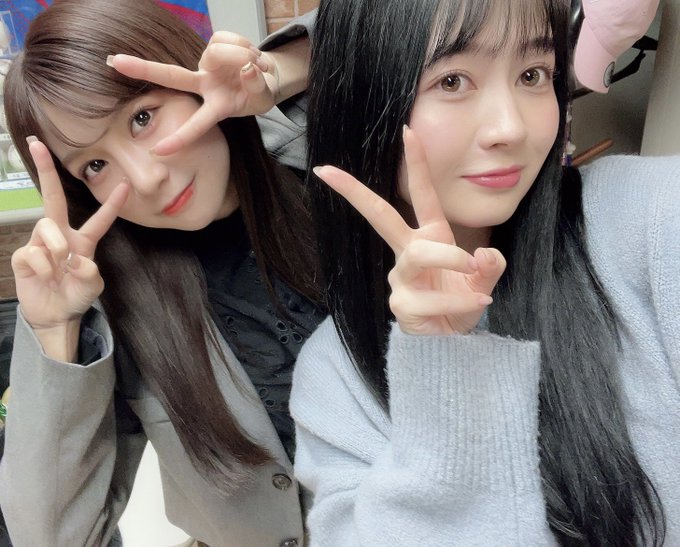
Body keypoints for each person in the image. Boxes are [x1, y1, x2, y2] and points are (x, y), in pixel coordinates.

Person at [290, 0, 680, 545]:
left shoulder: (651, 217)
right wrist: (445, 370)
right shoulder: (334, 384)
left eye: (532, 74)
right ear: (361, 102)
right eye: (452, 81)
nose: (510, 127)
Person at [0, 0, 322, 545]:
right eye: (95, 165)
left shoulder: (333, 163)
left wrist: (277, 70)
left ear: (189, 78)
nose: (146, 178)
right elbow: (51, 536)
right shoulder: (118, 308)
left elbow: (443, 26)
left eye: (142, 118)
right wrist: (55, 331)